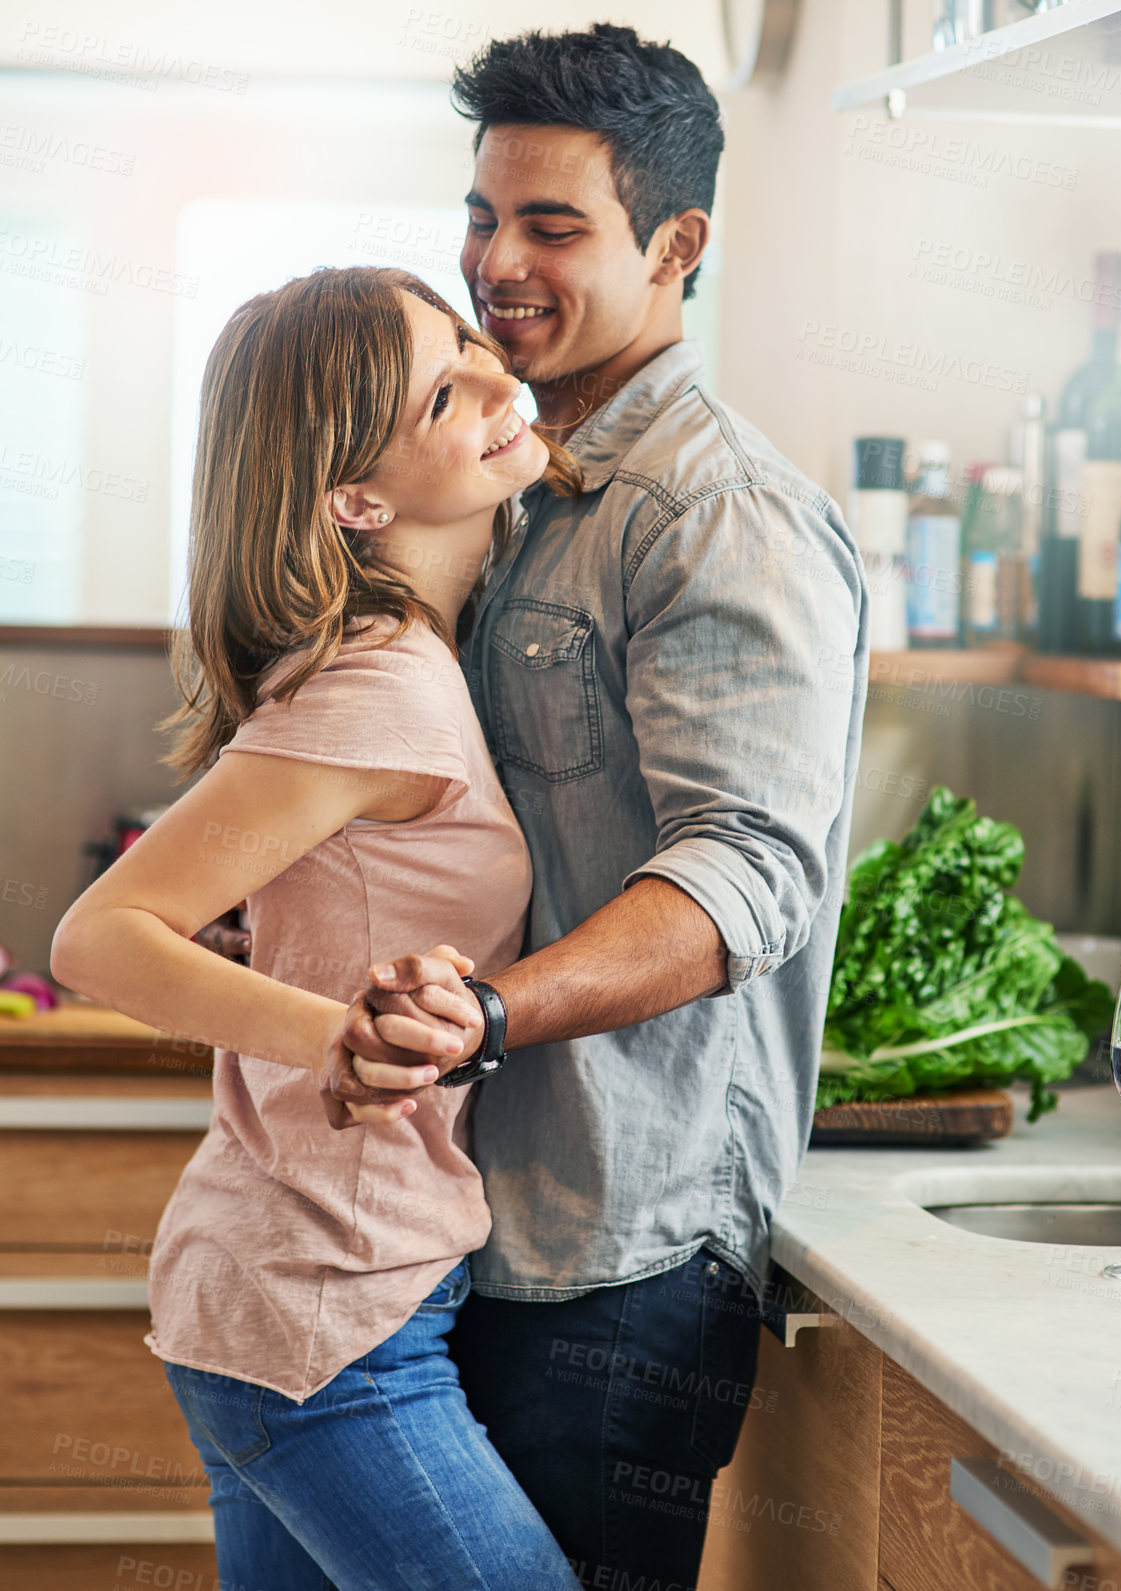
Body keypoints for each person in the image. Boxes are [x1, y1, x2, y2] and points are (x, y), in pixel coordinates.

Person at [335, 25, 870, 1591]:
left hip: (619, 1254)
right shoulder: (508, 485)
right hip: (468, 1228)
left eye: (553, 226)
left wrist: (487, 1017)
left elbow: (747, 870)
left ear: (677, 245)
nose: (498, 261)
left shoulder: (723, 516)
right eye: (484, 215)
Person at [50, 264, 583, 1591]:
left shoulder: (404, 659)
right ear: (356, 500)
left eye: (473, 349)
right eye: (445, 392)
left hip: (310, 1304)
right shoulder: (386, 686)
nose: (498, 383)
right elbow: (102, 937)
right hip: (324, 1323)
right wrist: (334, 1032)